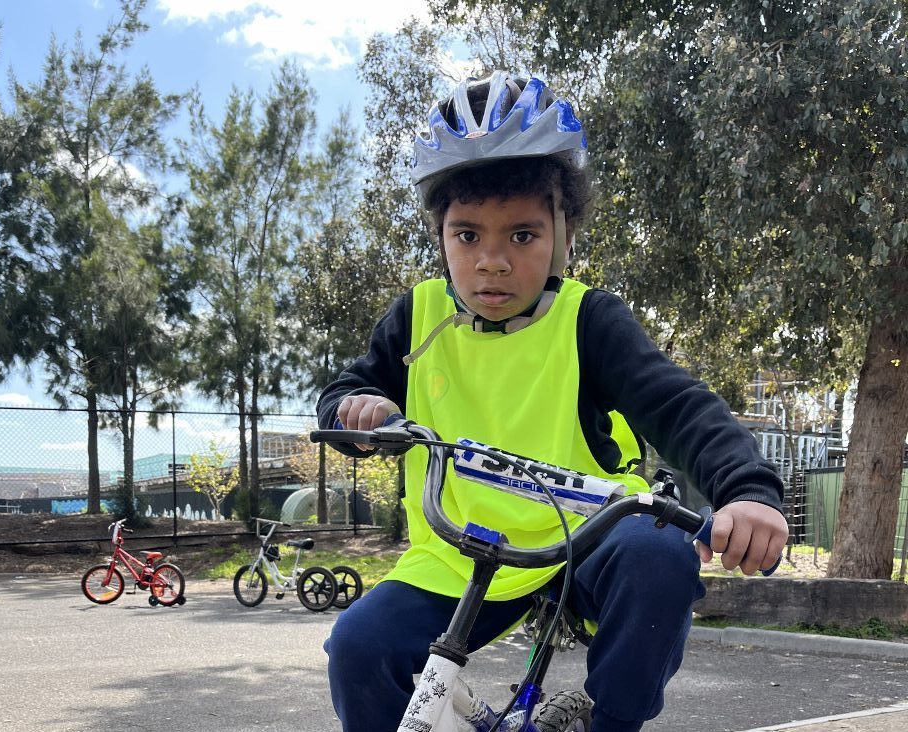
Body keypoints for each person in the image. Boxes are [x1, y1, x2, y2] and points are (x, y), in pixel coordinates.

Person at [316, 71, 788, 732]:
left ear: (564, 235)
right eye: (467, 235)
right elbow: (343, 394)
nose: (492, 261)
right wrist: (358, 409)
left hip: (589, 538)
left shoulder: (588, 320)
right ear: (440, 236)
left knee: (658, 557)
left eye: (522, 235)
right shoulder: (415, 319)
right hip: (461, 551)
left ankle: (608, 725)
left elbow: (680, 408)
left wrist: (747, 491)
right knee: (358, 649)